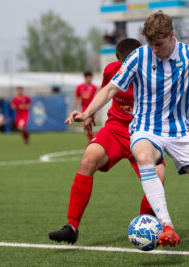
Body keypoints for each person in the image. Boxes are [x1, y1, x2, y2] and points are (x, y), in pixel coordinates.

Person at [65, 11, 189, 254]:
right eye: (150, 44)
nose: (154, 50)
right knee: (145, 157)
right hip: (145, 128)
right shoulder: (139, 56)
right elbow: (111, 89)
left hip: (180, 132)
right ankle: (167, 226)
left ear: (171, 36)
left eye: (159, 45)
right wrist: (87, 111)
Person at [49, 38, 166, 244]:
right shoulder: (112, 70)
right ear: (118, 61)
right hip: (115, 128)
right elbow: (104, 91)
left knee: (158, 177)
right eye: (124, 64)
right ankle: (72, 226)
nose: (127, 68)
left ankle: (146, 225)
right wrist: (89, 114)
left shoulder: (155, 73)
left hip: (145, 133)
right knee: (88, 158)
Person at [73, 71, 98, 142]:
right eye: (88, 77)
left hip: (91, 108)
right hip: (83, 108)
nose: (89, 79)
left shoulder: (94, 87)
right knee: (85, 125)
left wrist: (95, 109)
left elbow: (97, 97)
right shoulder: (79, 87)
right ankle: (92, 141)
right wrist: (74, 108)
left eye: (90, 77)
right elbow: (77, 98)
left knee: (86, 124)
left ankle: (92, 141)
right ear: (85, 78)